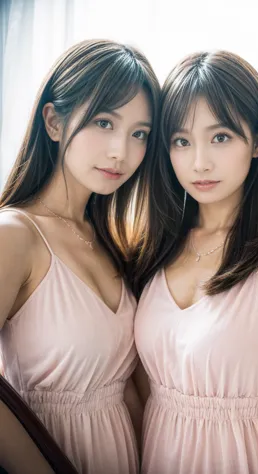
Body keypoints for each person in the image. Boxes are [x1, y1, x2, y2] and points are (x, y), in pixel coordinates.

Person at [131, 50, 258, 474]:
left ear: (257, 141)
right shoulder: (152, 247)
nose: (199, 161)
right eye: (182, 141)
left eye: (220, 137)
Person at [0, 39, 161, 474]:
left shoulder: (112, 240)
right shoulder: (14, 235)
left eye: (139, 134)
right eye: (104, 122)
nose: (120, 152)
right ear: (53, 121)